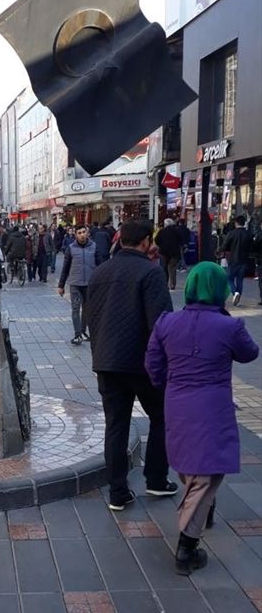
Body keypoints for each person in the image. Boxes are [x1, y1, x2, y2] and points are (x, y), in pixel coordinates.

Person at [145, 262, 259, 574]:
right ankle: (187, 546)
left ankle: (202, 511)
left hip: (177, 400)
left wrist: (171, 382)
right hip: (212, 404)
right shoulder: (229, 327)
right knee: (207, 472)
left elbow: (153, 364)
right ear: (221, 289)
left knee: (189, 463)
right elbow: (250, 353)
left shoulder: (167, 322)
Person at [87, 220, 176, 511]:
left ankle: (117, 492)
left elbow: (91, 318)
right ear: (147, 241)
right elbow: (161, 324)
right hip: (143, 364)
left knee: (116, 424)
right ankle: (156, 479)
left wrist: (98, 354)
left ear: (120, 240)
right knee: (161, 416)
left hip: (107, 361)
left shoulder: (99, 272)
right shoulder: (151, 273)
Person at [58, 225, 100, 345]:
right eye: (79, 232)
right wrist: (61, 286)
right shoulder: (71, 248)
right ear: (75, 235)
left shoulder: (93, 246)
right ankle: (77, 335)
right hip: (75, 283)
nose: (82, 235)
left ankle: (83, 331)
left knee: (87, 309)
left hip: (89, 284)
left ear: (87, 233)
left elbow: (101, 265)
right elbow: (65, 268)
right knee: (75, 308)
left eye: (84, 232)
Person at [222, 214, 254, 306]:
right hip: (244, 260)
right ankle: (238, 298)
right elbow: (252, 247)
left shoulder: (231, 233)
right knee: (240, 280)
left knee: (229, 278)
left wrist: (224, 250)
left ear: (236, 223)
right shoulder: (249, 234)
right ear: (244, 223)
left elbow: (225, 246)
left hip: (233, 260)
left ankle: (235, 292)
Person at [155, 218, 183, 290]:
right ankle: (172, 284)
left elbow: (156, 240)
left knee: (164, 268)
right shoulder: (177, 231)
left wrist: (161, 245)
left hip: (163, 252)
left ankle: (165, 284)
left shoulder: (162, 231)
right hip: (174, 252)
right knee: (172, 268)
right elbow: (181, 240)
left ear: (166, 224)